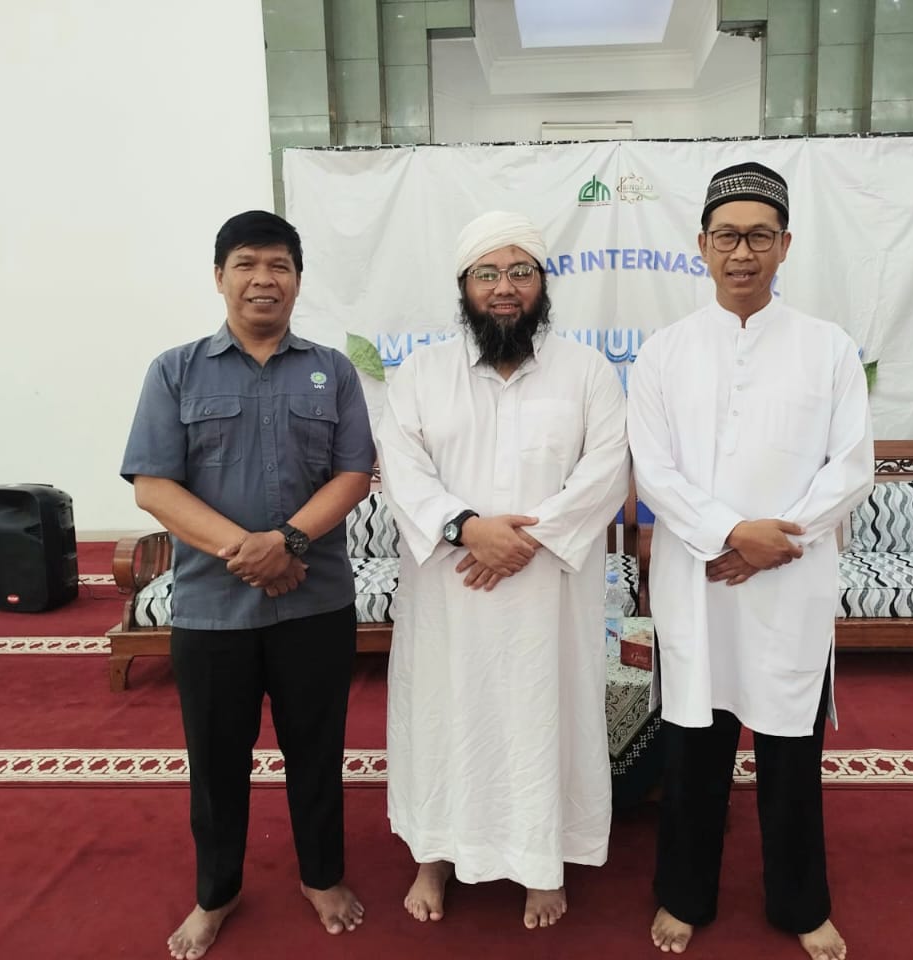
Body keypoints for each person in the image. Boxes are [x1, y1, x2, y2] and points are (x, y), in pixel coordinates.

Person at [626, 163, 874, 960]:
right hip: (700, 581)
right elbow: (653, 469)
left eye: (759, 236)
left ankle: (801, 903)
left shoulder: (828, 349)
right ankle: (683, 894)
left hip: (790, 583)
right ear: (701, 245)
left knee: (791, 754)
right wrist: (733, 533)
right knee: (693, 749)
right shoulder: (664, 353)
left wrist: (775, 543)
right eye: (727, 236)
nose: (742, 253)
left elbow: (851, 467)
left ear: (785, 245)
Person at [120, 210, 375, 959]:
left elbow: (354, 474)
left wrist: (288, 543)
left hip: (314, 603)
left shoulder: (333, 370)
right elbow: (153, 486)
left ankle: (322, 876)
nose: (263, 279)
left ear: (297, 279)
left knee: (317, 752)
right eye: (246, 264)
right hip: (211, 610)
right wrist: (251, 552)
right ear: (219, 277)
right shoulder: (175, 370)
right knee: (216, 763)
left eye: (279, 265)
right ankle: (217, 892)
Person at [376, 210, 629, 929]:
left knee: (541, 718)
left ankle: (542, 862)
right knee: (443, 716)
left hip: (548, 592)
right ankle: (434, 853)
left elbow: (607, 469)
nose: (505, 287)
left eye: (521, 271)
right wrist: (469, 531)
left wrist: (522, 541)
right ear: (464, 286)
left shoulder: (587, 371)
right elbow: (403, 469)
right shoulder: (422, 374)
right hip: (450, 591)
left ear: (543, 282)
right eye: (487, 273)